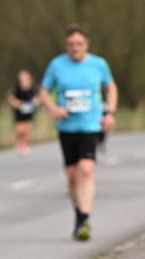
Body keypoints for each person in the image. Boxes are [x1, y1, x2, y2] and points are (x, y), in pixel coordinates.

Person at [39, 24, 118, 241]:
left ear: (87, 44)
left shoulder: (98, 64)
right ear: (67, 46)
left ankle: (85, 217)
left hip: (91, 125)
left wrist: (110, 112)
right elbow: (44, 91)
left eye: (79, 44)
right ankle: (78, 214)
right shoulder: (57, 65)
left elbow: (111, 87)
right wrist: (54, 109)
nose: (75, 48)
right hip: (67, 127)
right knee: (73, 177)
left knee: (86, 169)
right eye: (71, 44)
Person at [7, 69, 38, 155]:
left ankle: (25, 144)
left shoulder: (33, 88)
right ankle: (19, 141)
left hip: (29, 111)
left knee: (28, 128)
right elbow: (11, 98)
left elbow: (37, 98)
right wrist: (16, 103)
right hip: (20, 111)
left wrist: (36, 101)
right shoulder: (16, 88)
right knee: (20, 129)